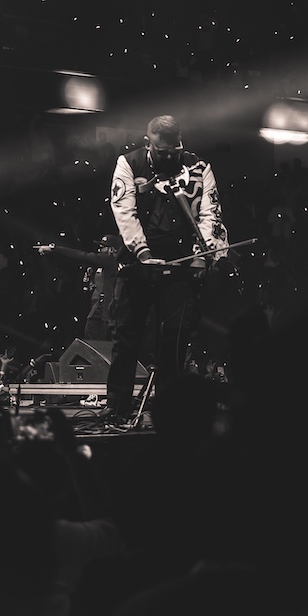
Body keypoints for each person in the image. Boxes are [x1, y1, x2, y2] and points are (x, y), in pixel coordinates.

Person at [106, 115, 225, 427]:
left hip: (180, 263)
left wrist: (202, 255)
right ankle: (117, 406)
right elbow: (124, 211)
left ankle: (169, 409)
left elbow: (210, 213)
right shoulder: (128, 164)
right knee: (126, 337)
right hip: (137, 263)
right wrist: (143, 253)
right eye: (163, 153)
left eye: (175, 152)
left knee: (174, 339)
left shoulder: (199, 167)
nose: (170, 158)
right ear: (149, 144)